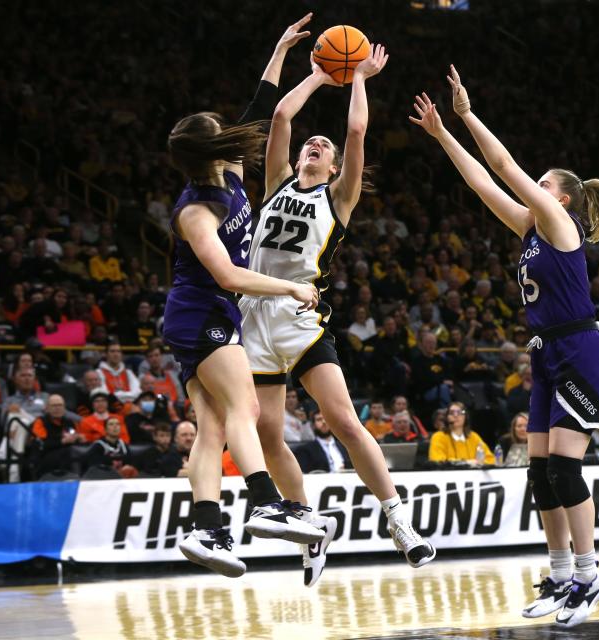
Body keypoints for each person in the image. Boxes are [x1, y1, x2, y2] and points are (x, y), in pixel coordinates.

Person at [410, 66, 599, 626]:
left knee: (565, 471)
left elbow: (504, 167)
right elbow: (482, 184)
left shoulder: (562, 226)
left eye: (542, 184)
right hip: (545, 354)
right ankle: (561, 576)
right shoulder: (530, 229)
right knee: (539, 475)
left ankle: (589, 575)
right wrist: (442, 135)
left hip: (580, 352)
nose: (531, 188)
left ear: (562, 198)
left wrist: (466, 115)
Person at [239, 40, 433, 588]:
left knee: (344, 420)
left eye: (322, 147)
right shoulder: (275, 183)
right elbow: (280, 114)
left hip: (300, 315)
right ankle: (307, 526)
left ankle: (398, 519)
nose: (315, 143)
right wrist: (322, 77)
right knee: (269, 435)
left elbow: (354, 133)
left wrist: (360, 79)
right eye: (309, 143)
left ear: (333, 168)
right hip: (253, 317)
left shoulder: (337, 199)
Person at [161, 13, 325, 579]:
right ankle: (264, 504)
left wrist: (280, 50)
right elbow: (229, 278)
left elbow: (260, 108)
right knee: (245, 410)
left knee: (211, 427)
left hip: (203, 314)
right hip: (201, 311)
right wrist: (290, 286)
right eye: (220, 128)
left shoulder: (227, 168)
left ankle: (207, 529)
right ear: (212, 148)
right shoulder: (196, 211)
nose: (233, 131)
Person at [428, 402, 495, 464]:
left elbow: (491, 459)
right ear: (447, 418)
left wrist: (478, 462)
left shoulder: (474, 437)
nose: (456, 415)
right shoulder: (438, 437)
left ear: (465, 417)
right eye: (451, 413)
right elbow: (437, 461)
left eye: (460, 412)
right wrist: (467, 462)